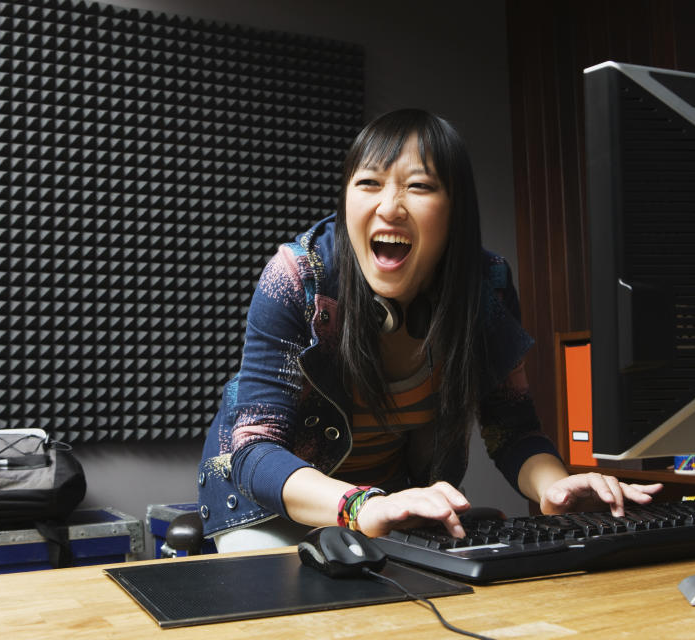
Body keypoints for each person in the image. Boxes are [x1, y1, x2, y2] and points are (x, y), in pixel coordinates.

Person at [197, 108, 662, 552]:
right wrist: (360, 505)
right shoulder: (298, 277)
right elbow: (255, 451)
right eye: (369, 183)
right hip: (270, 507)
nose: (390, 207)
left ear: (456, 209)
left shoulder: (486, 288)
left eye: (418, 186)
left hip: (392, 503)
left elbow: (513, 431)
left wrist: (555, 486)